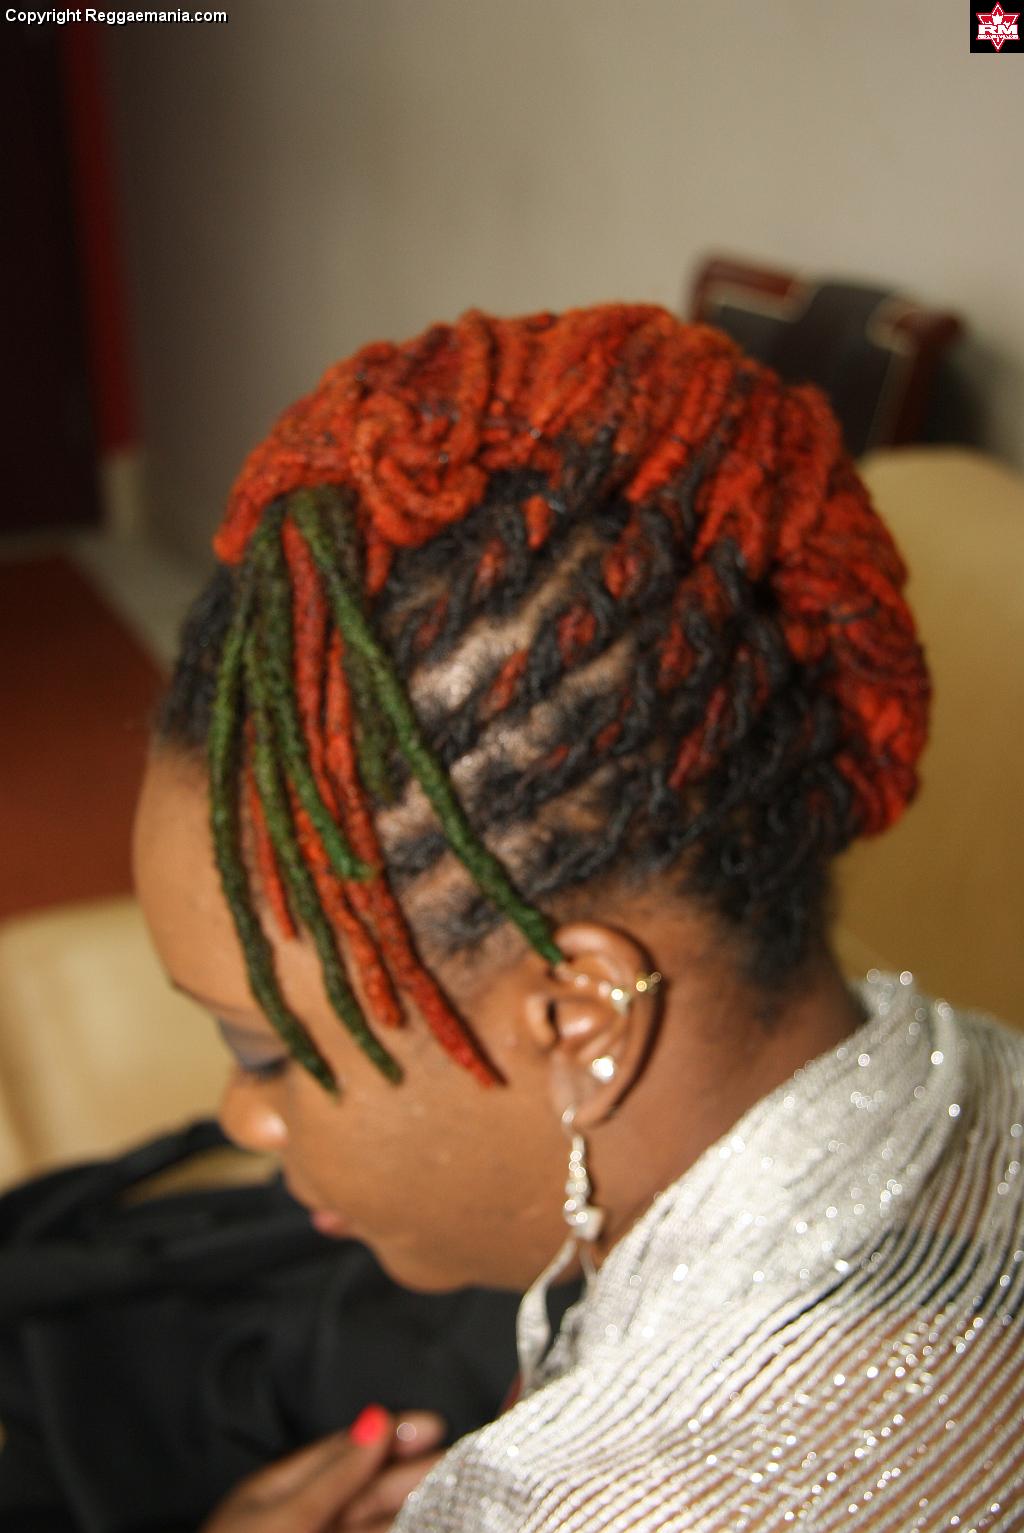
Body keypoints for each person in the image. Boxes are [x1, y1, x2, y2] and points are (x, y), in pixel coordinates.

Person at [132, 303, 1024, 1532]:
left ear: (581, 1020)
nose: (244, 1115)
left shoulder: (604, 1506)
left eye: (261, 1048)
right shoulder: (979, 1076)